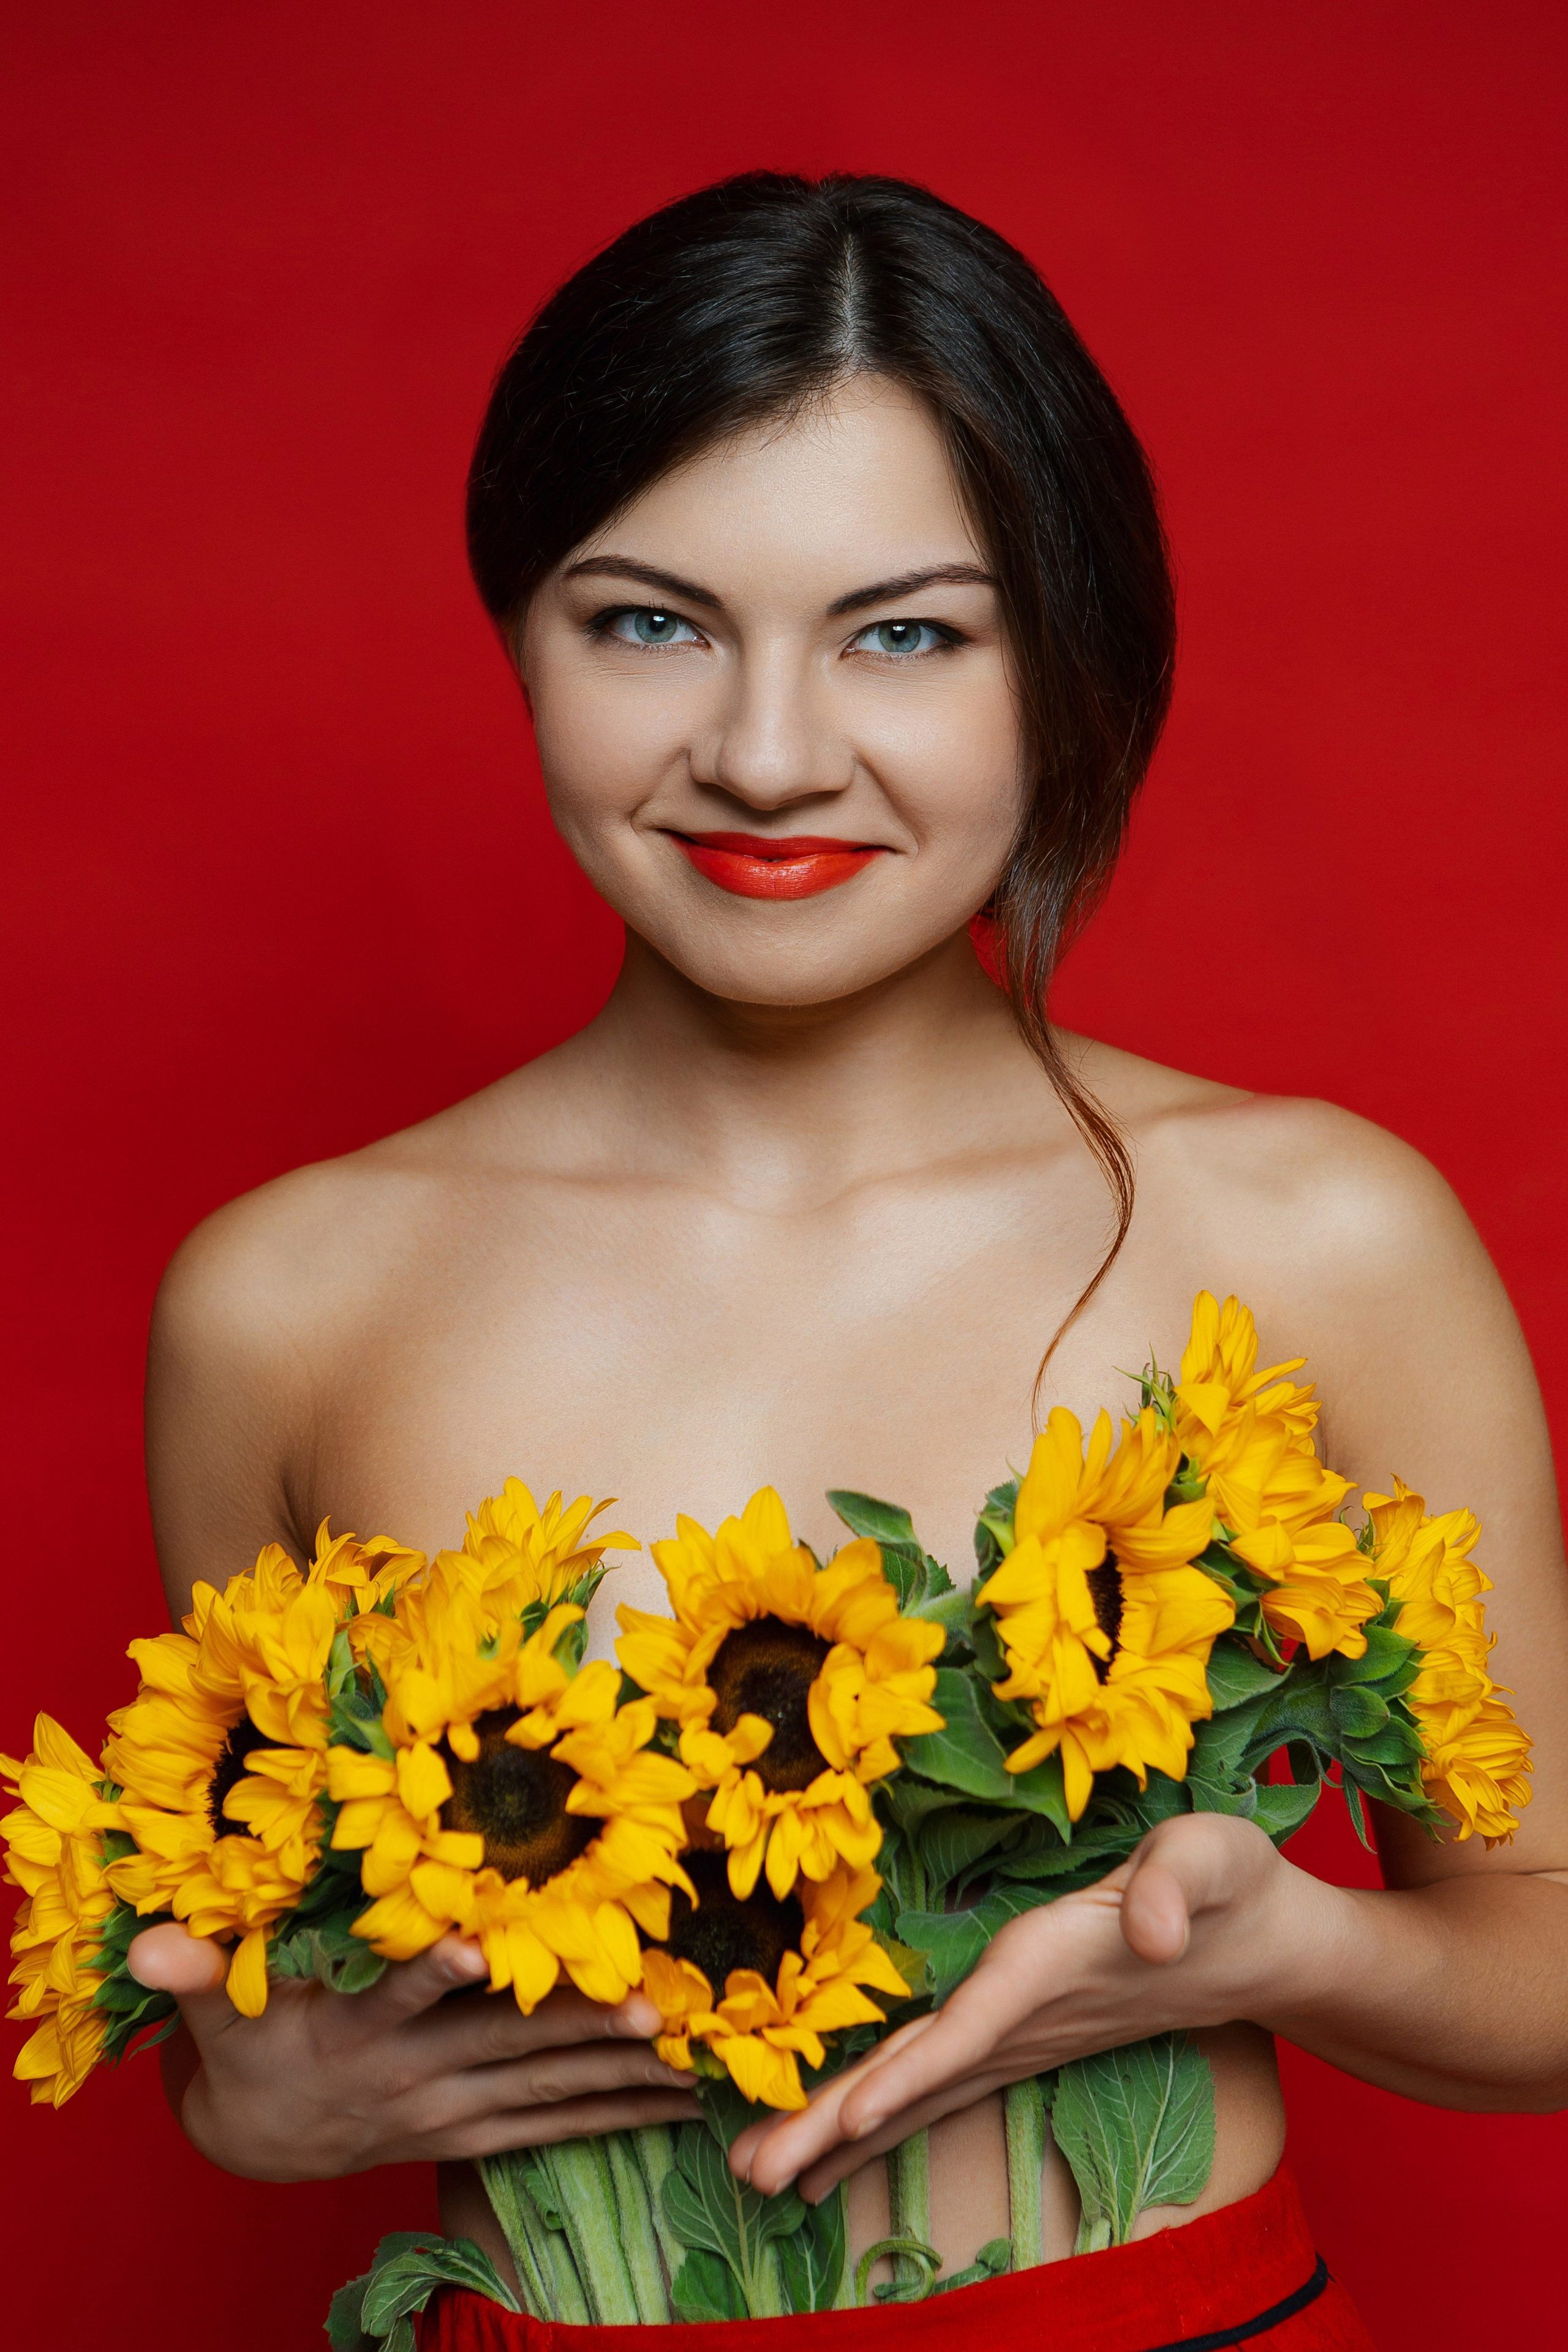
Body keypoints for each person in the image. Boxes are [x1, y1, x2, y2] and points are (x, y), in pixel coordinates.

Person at [124, 173, 1567, 2348]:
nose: (768, 753)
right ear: (519, 629)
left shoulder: (1315, 1235)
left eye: (907, 632)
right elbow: (244, 1987)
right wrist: (257, 2100)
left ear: (1065, 663)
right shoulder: (285, 1304)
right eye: (648, 623)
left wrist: (1290, 1950)